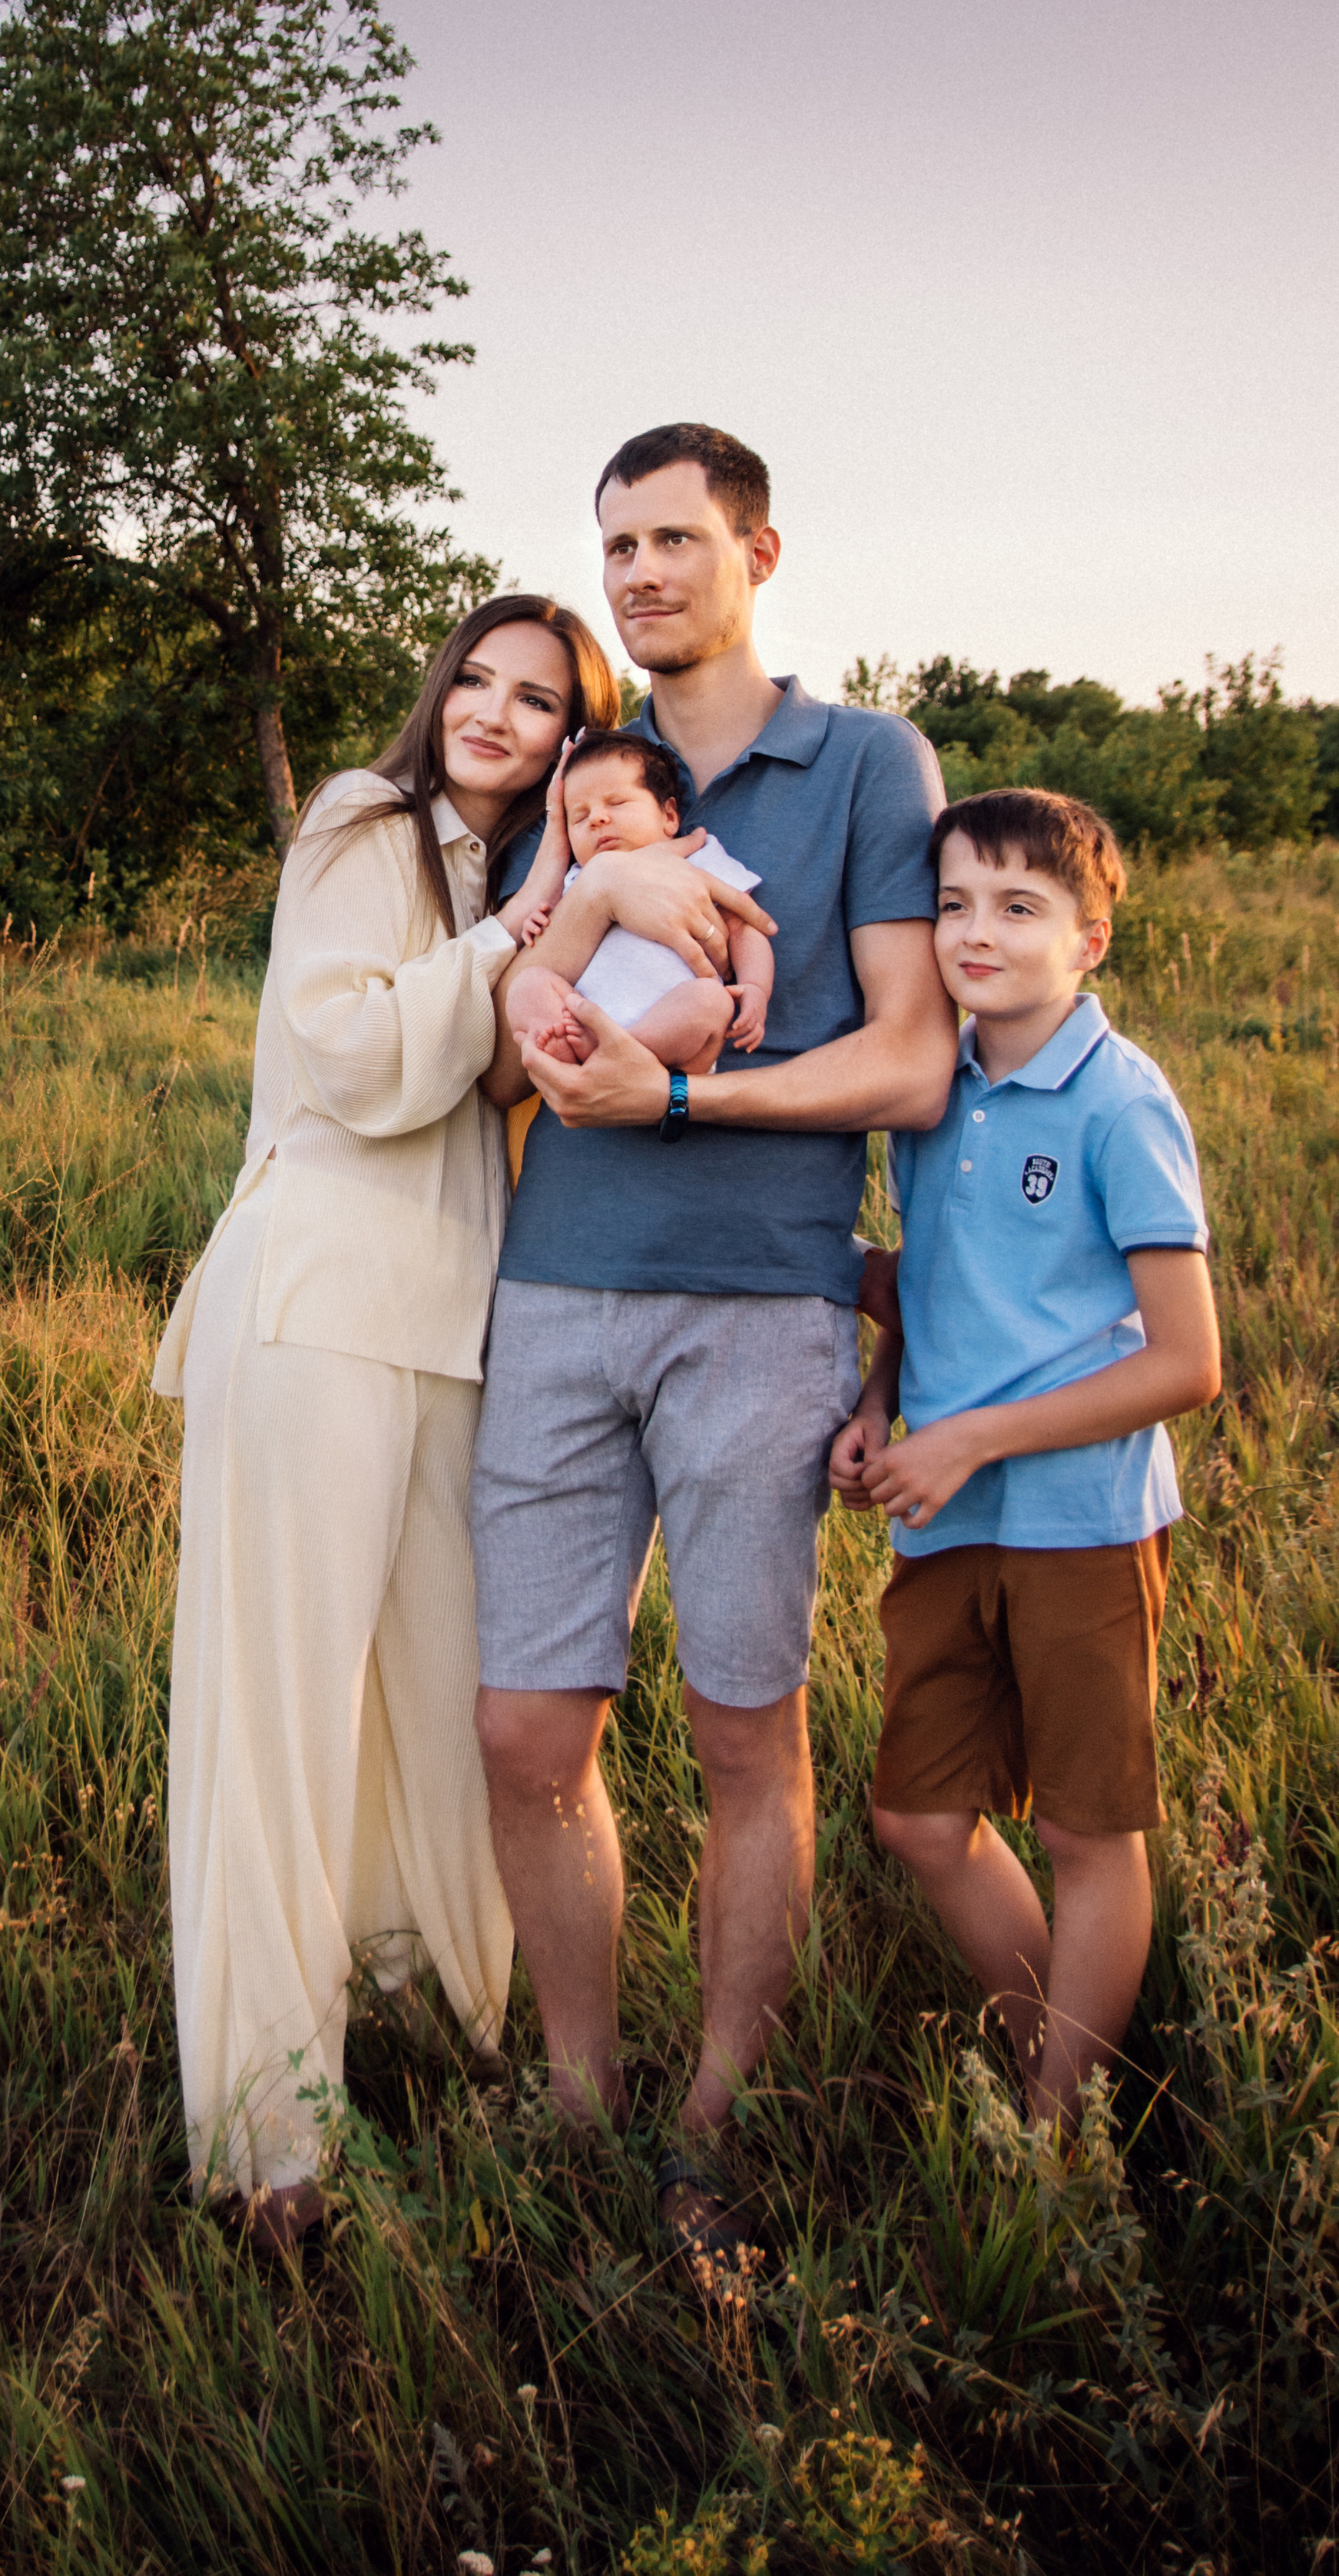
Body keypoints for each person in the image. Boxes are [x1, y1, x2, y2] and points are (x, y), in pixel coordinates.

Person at [471, 420, 956, 2256]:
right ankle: (577, 2087)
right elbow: (520, 1002)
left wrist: (682, 1109)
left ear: (760, 550)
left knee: (743, 1722)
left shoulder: (860, 764)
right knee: (527, 1723)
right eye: (617, 547)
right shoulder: (577, 770)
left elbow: (903, 1053)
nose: (643, 574)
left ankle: (715, 2114)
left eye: (677, 539)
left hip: (760, 1297)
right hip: (554, 1291)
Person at [154, 593, 621, 2252]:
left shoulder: (525, 882)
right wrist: (522, 933)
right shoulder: (362, 821)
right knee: (278, 1713)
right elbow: (351, 1055)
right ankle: (267, 2133)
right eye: (478, 682)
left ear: (578, 736)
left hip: (457, 1321)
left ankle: (435, 2024)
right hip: (318, 1299)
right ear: (440, 695)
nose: (498, 714)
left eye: (540, 700)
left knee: (440, 1695)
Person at [830, 788, 1221, 2129]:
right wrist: (883, 1402)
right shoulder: (935, 1093)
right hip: (943, 1516)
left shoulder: (1120, 1102)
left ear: (1091, 939)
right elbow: (933, 1288)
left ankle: (1058, 2137)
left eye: (1017, 907)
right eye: (951, 905)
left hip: (1077, 1516)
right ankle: (1075, 2063)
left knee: (1084, 1832)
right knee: (922, 1822)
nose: (973, 933)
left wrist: (972, 1436)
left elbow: (1188, 1362)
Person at [506, 730, 774, 1072]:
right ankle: (567, 1052)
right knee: (526, 985)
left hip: (673, 1022)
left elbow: (743, 927)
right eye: (579, 816)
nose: (597, 819)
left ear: (669, 816)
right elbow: (555, 935)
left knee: (712, 1002)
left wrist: (754, 986)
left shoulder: (698, 859)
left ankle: (621, 1051)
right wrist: (539, 923)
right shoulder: (578, 878)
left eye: (616, 803)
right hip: (587, 1018)